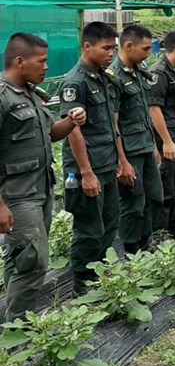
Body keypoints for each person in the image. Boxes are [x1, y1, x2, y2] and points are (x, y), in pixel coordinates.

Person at [1, 33, 85, 320]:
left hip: (41, 188)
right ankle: (20, 326)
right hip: (16, 195)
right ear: (20, 61)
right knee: (34, 260)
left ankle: (13, 319)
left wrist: (71, 122)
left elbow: (52, 134)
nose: (46, 67)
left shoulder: (30, 94)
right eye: (42, 61)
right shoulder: (2, 96)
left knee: (22, 257)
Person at [60, 21, 121, 295]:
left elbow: (109, 124)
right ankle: (82, 282)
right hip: (87, 167)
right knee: (89, 227)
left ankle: (99, 270)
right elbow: (73, 130)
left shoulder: (102, 77)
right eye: (106, 48)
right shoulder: (75, 82)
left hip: (105, 163)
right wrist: (86, 172)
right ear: (87, 46)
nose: (111, 53)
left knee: (111, 221)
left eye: (114, 48)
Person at [107, 25, 164, 255]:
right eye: (146, 48)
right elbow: (114, 124)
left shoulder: (137, 71)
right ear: (129, 46)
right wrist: (122, 161)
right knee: (133, 204)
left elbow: (143, 113)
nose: (148, 53)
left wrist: (154, 147)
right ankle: (132, 250)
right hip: (128, 151)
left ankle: (144, 240)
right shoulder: (115, 77)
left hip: (144, 146)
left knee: (155, 197)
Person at [148, 30, 175, 239]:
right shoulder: (158, 72)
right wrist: (166, 141)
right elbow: (154, 108)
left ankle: (174, 225)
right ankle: (158, 232)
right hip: (169, 139)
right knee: (165, 187)